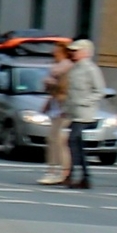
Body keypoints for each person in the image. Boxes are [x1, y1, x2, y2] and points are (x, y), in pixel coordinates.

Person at [47, 38, 107, 189]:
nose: (73, 53)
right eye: (72, 50)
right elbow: (70, 93)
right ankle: (83, 177)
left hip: (84, 113)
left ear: (85, 52)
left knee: (73, 140)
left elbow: (99, 90)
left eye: (76, 50)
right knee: (76, 143)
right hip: (74, 112)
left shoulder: (91, 69)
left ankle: (76, 175)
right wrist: (65, 110)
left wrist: (85, 102)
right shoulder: (74, 68)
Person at [35, 36, 77, 185]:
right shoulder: (56, 68)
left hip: (64, 109)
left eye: (57, 51)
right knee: (53, 140)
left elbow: (64, 90)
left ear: (64, 53)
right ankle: (53, 170)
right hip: (56, 107)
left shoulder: (67, 69)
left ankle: (62, 171)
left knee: (59, 141)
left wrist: (51, 84)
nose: (54, 54)